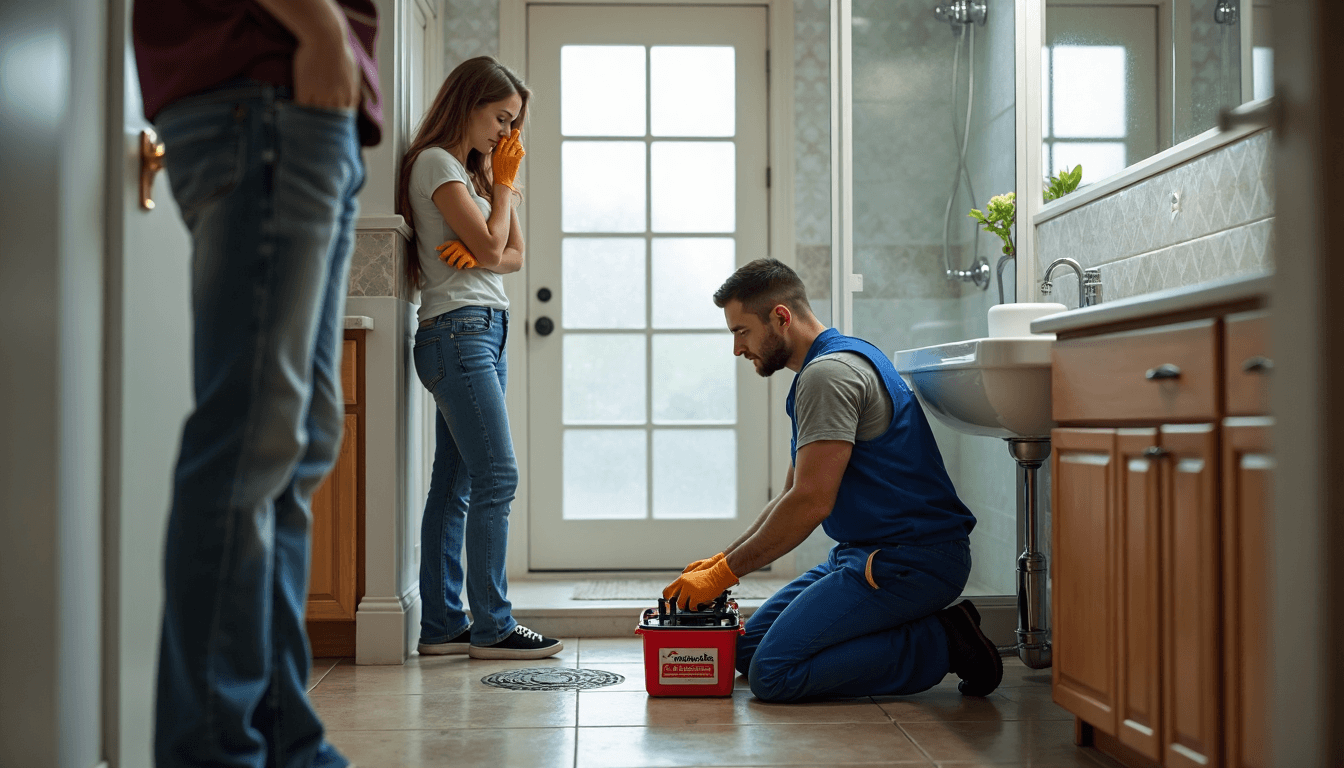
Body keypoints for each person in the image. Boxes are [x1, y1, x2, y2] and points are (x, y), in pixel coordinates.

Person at [133, 0, 380, 764]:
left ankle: (284, 743)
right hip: (268, 90)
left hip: (296, 105)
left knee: (294, 444)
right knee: (249, 443)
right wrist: (321, 29)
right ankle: (214, 750)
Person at [663, 258, 1002, 703]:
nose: (737, 349)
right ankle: (892, 629)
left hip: (911, 560)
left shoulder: (828, 375)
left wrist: (725, 574)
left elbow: (811, 503)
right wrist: (718, 565)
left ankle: (942, 639)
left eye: (741, 331)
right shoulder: (834, 360)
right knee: (744, 649)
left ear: (780, 317)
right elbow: (791, 494)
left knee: (774, 675)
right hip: (864, 556)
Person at [395, 56, 561, 660]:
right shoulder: (437, 163)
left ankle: (441, 624)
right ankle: (492, 626)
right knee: (499, 475)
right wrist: (504, 192)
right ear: (467, 103)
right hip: (459, 333)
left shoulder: (470, 174)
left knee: (456, 482)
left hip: (480, 331)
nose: (506, 135)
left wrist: (494, 196)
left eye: (514, 125)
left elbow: (512, 255)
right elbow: (495, 245)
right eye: (500, 119)